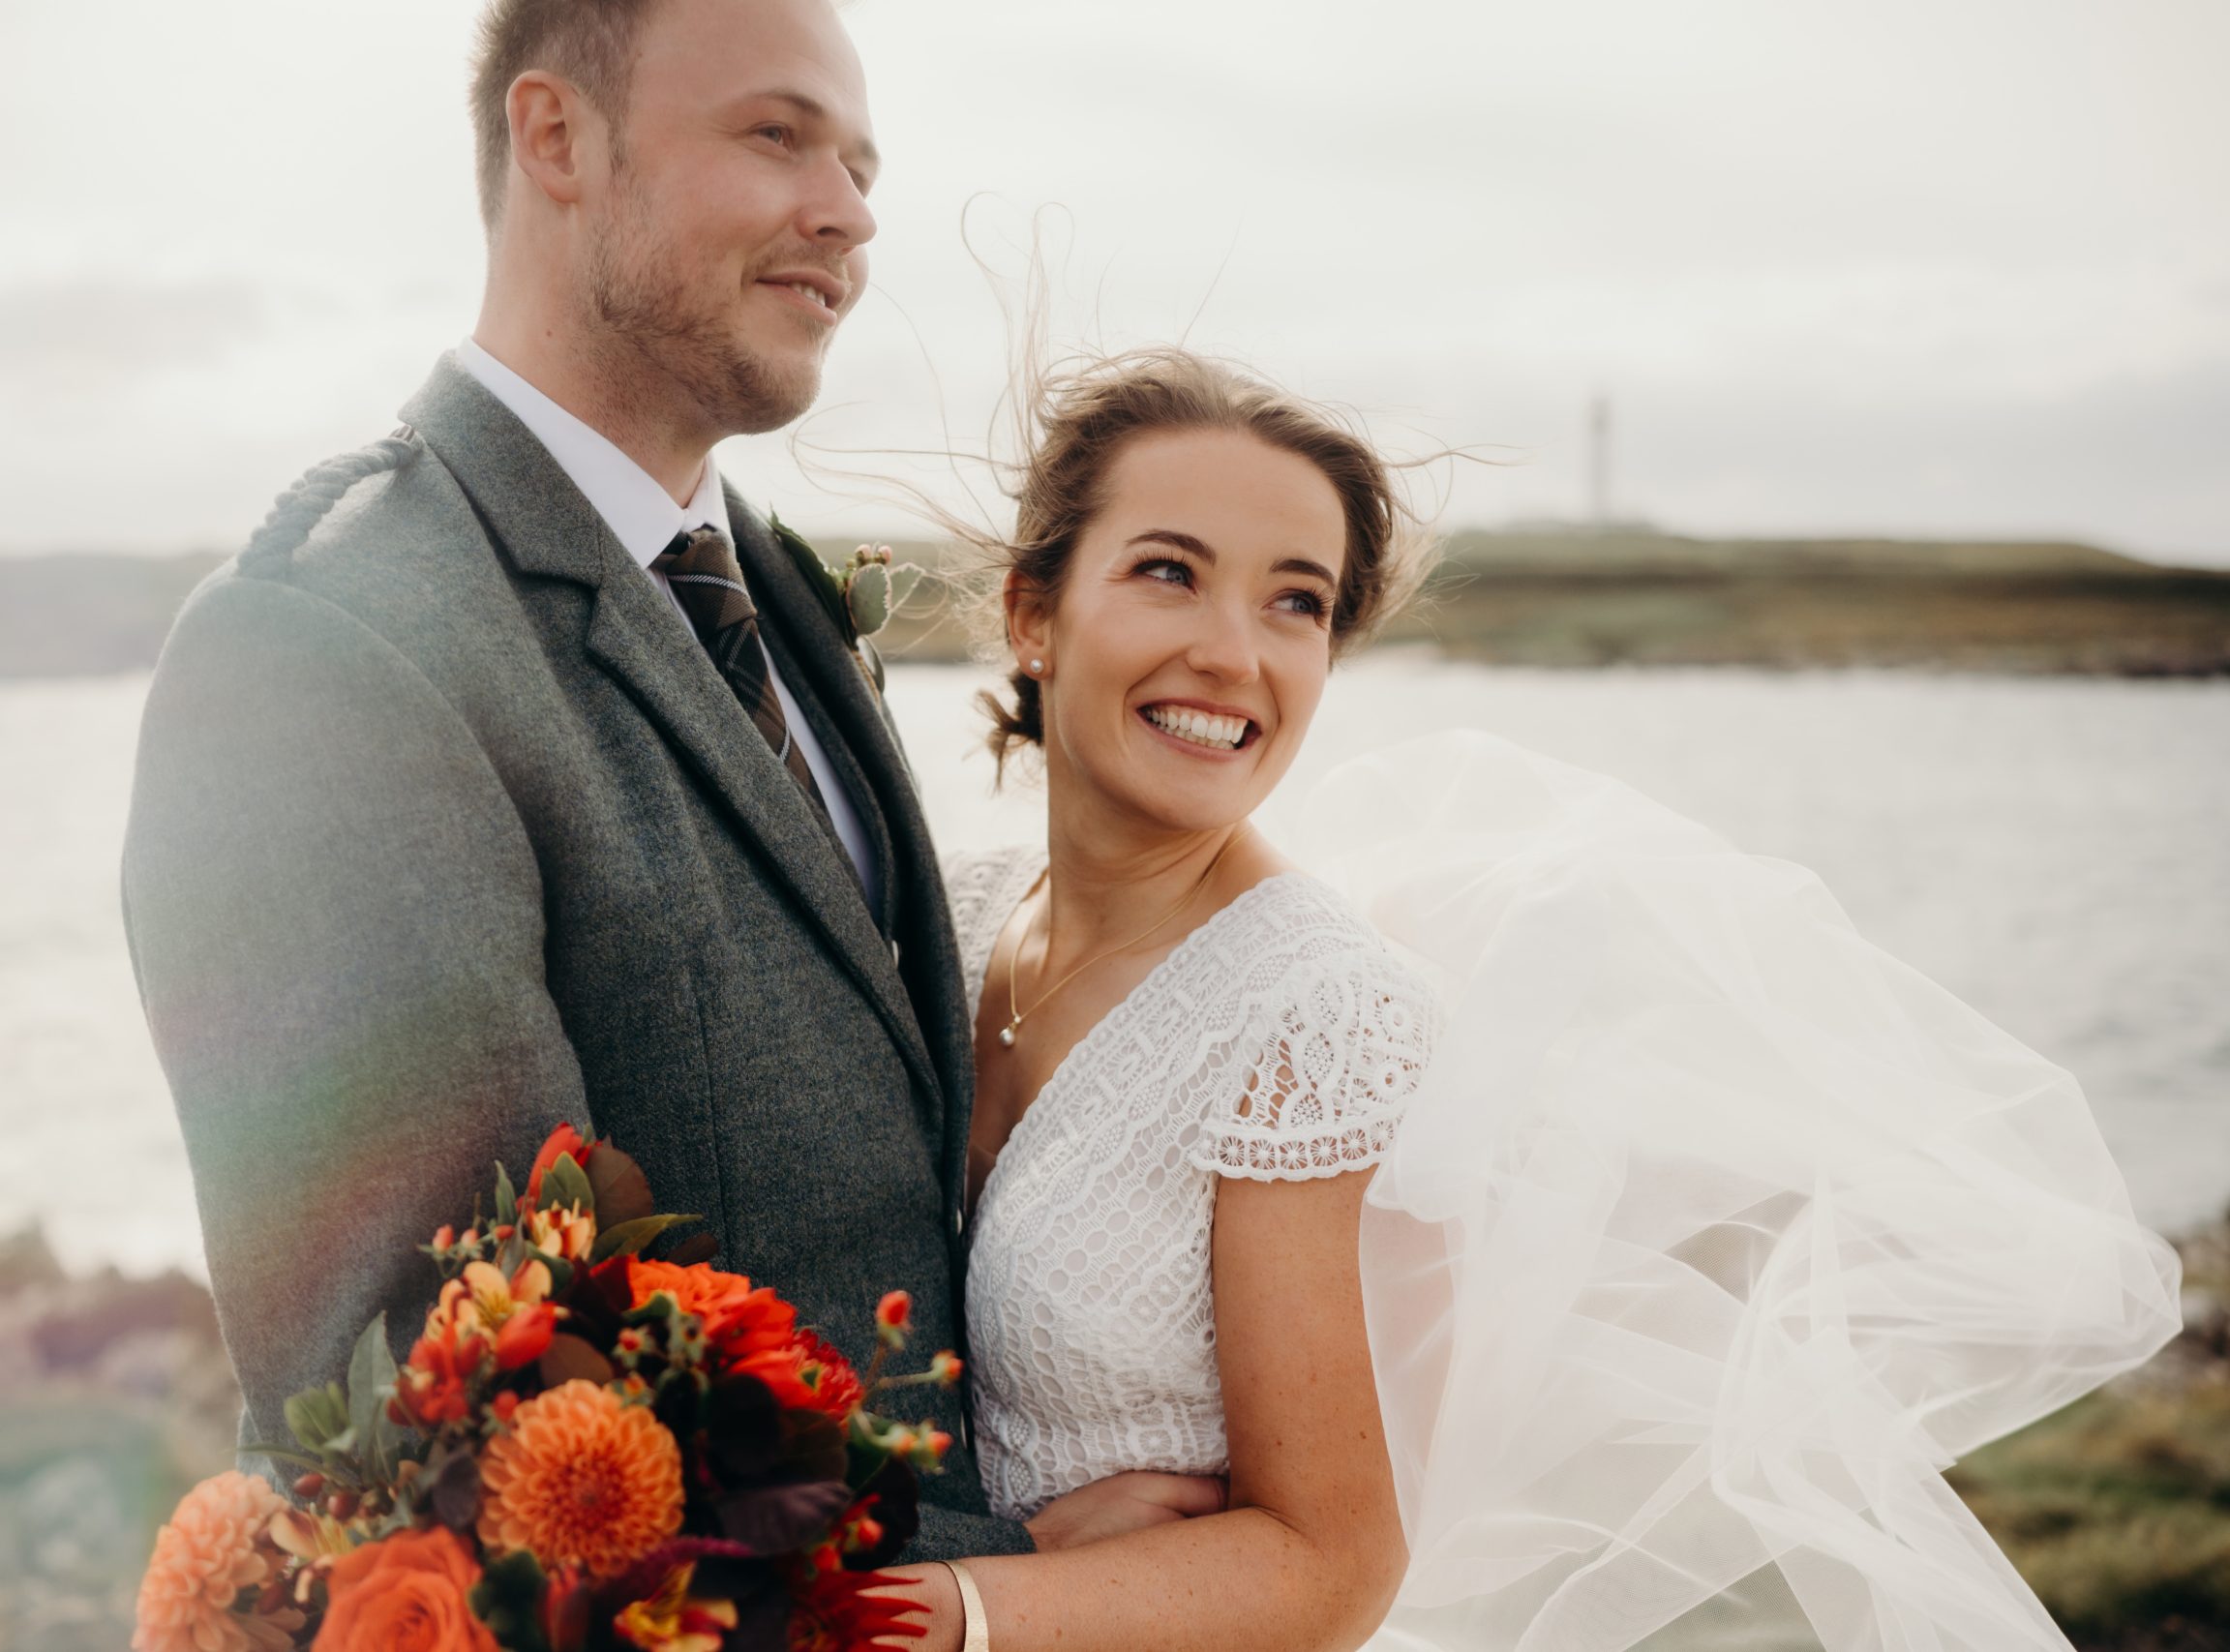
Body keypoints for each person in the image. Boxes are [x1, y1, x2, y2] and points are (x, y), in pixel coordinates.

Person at [870, 345, 2184, 1652]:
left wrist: (946, 1607)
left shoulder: (1312, 1019)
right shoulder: (951, 918)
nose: (1232, 654)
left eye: (1296, 602)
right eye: (1170, 572)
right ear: (1033, 615)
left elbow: (1329, 1568)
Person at [118, 0, 1211, 1562]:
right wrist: (1003, 1586)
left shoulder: (762, 589)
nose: (850, 214)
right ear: (557, 137)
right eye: (777, 137)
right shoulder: (325, 643)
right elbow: (445, 1424)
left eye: (861, 167)